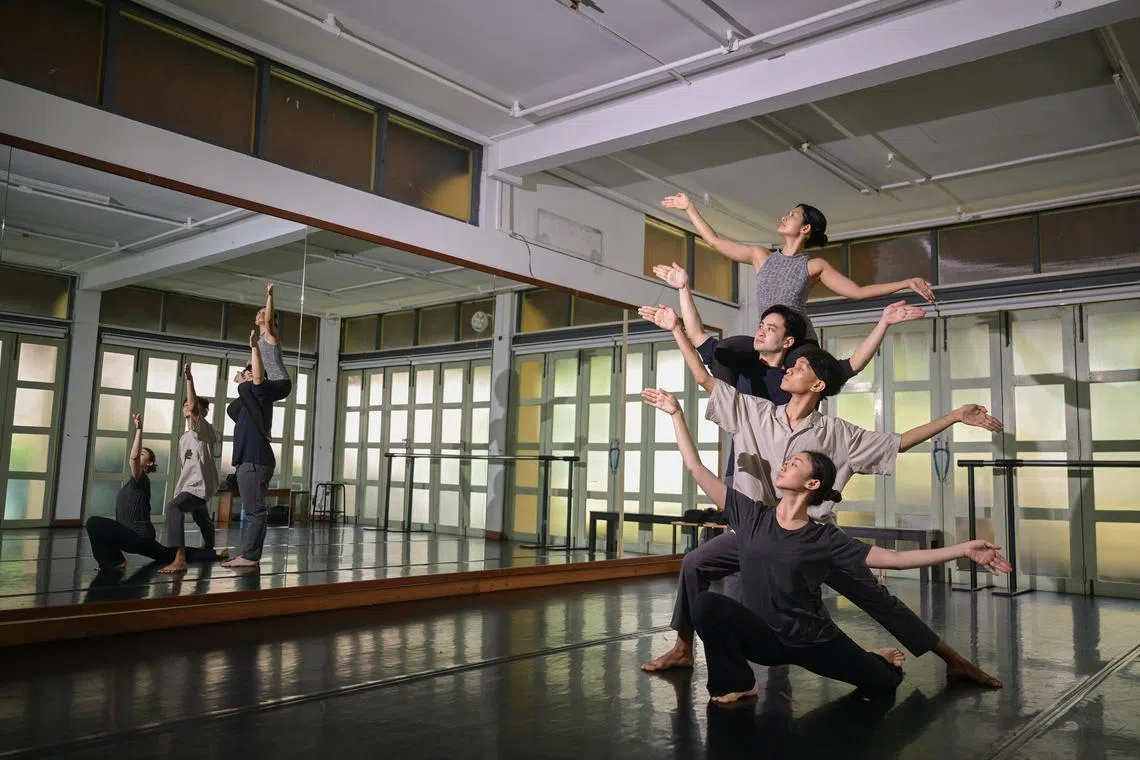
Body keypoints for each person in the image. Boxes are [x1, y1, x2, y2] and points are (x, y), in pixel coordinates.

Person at [640, 305, 1006, 686]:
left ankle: (954, 659)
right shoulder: (756, 412)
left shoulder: (838, 433)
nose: (788, 369)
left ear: (817, 386)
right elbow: (704, 378)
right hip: (757, 528)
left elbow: (899, 442)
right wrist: (675, 329)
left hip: (814, 538)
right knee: (695, 563)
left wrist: (955, 415)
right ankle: (683, 648)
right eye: (790, 366)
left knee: (879, 600)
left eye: (799, 368)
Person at [659, 194, 935, 344]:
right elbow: (715, 242)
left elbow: (858, 292)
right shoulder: (760, 257)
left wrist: (906, 281)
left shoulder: (814, 266)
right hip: (770, 340)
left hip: (800, 342)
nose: (784, 216)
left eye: (792, 215)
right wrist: (689, 208)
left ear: (804, 229)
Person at [85, 413, 226, 571]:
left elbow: (133, 458)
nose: (138, 455)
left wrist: (139, 429)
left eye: (142, 454)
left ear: (149, 463)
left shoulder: (141, 480)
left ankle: (115, 561)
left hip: (139, 537)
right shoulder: (131, 484)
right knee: (167, 554)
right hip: (133, 537)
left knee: (94, 522)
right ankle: (214, 554)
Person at [221, 330, 276, 569]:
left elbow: (248, 389)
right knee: (252, 510)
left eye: (251, 372)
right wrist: (243, 386)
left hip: (255, 460)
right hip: (248, 461)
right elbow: (232, 409)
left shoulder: (262, 395)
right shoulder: (247, 405)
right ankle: (247, 554)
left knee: (255, 512)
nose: (247, 376)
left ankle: (250, 556)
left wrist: (246, 382)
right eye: (246, 372)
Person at [159, 364, 220, 574]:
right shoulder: (184, 438)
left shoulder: (204, 429)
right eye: (184, 404)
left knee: (174, 508)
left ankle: (180, 558)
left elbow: (194, 406)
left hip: (200, 486)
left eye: (190, 403)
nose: (187, 406)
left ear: (203, 411)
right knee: (200, 516)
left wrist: (189, 379)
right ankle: (211, 550)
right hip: (189, 485)